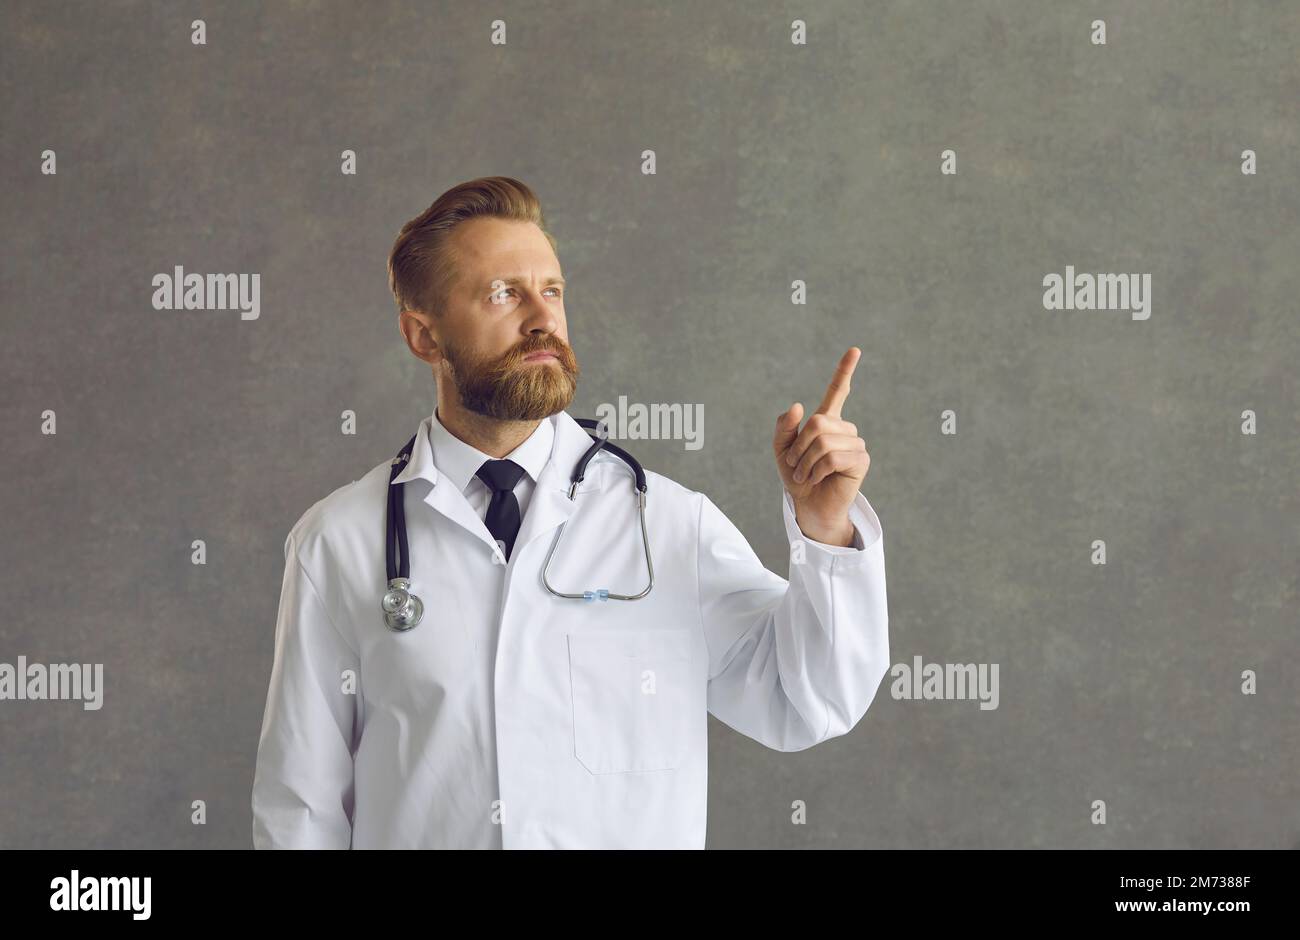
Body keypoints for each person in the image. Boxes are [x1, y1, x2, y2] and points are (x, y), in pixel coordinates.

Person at [251, 176, 889, 849]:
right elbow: (302, 806)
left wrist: (825, 531)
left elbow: (806, 701)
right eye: (503, 293)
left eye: (551, 291)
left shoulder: (666, 526)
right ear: (423, 336)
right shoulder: (339, 542)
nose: (542, 318)